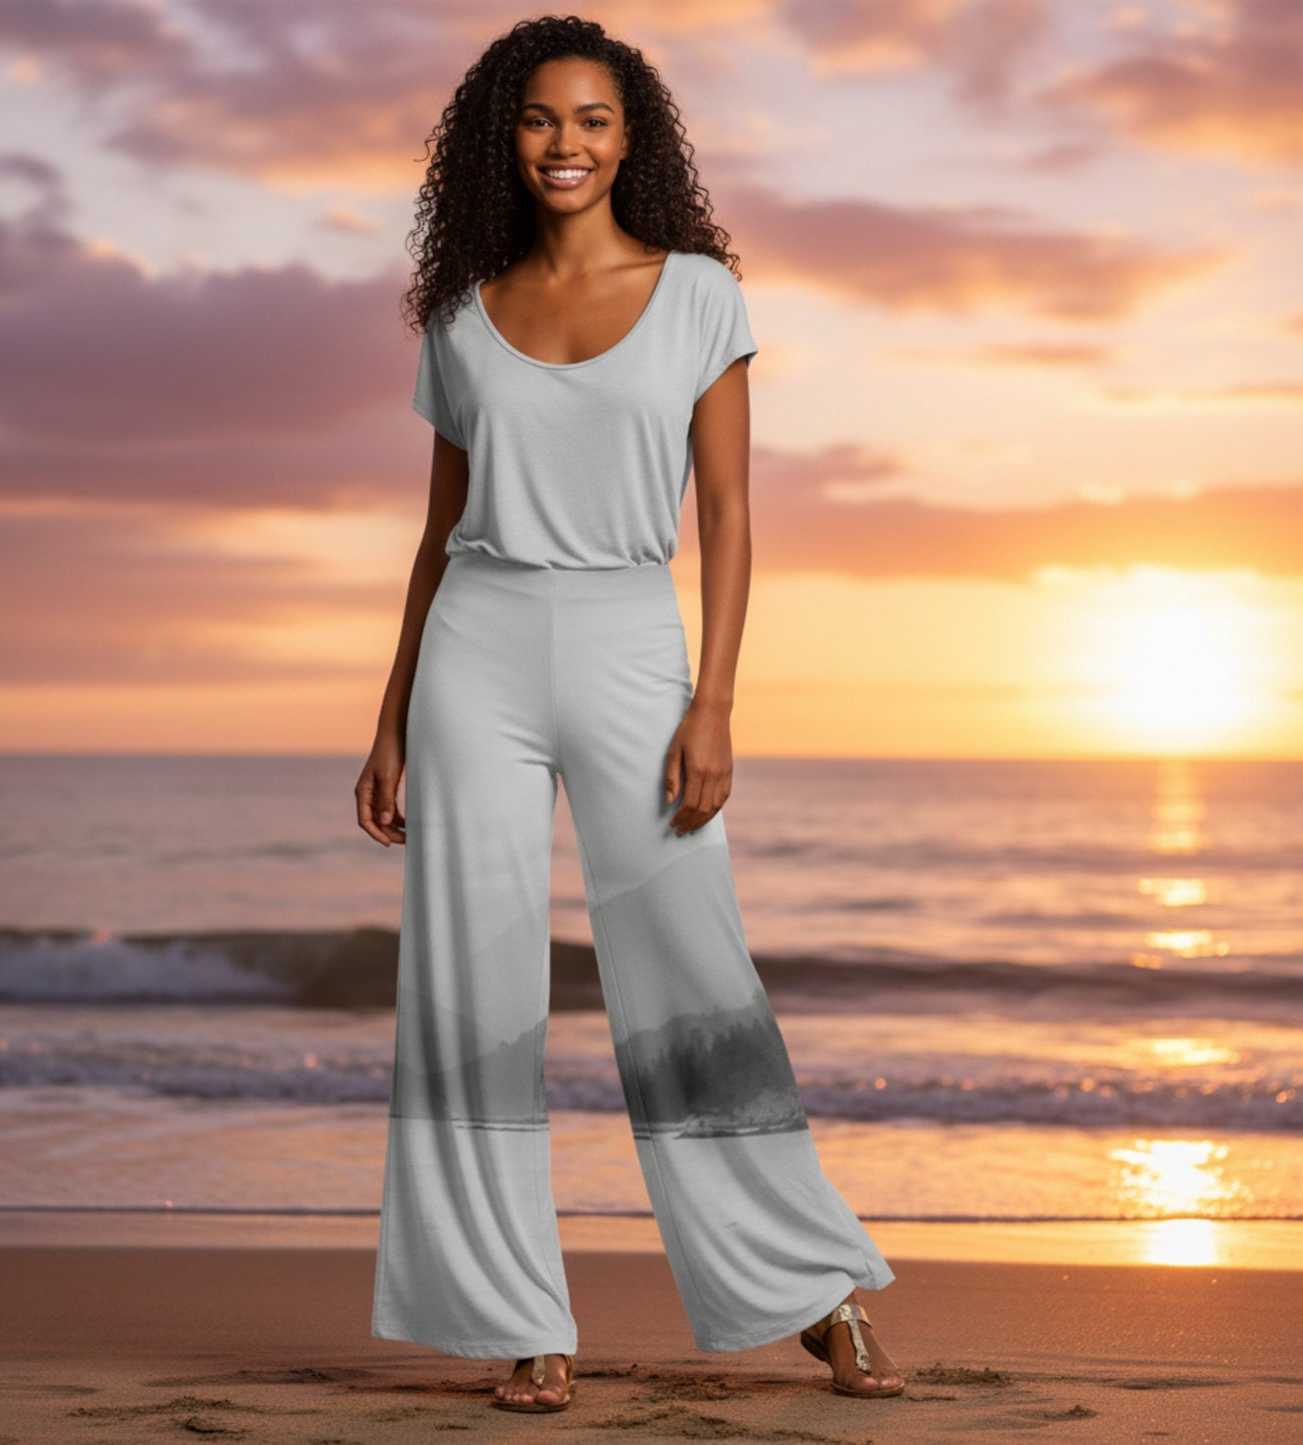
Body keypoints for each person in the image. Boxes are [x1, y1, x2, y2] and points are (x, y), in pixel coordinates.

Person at [355, 13, 905, 1416]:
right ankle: (514, 1314)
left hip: (627, 640)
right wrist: (390, 716)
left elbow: (726, 516)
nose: (565, 143)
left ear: (629, 136)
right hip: (475, 644)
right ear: (504, 136)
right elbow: (436, 538)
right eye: (539, 119)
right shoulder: (460, 320)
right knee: (469, 983)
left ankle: (807, 1287)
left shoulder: (703, 295)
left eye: (593, 119)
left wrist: (710, 701)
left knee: (687, 966)